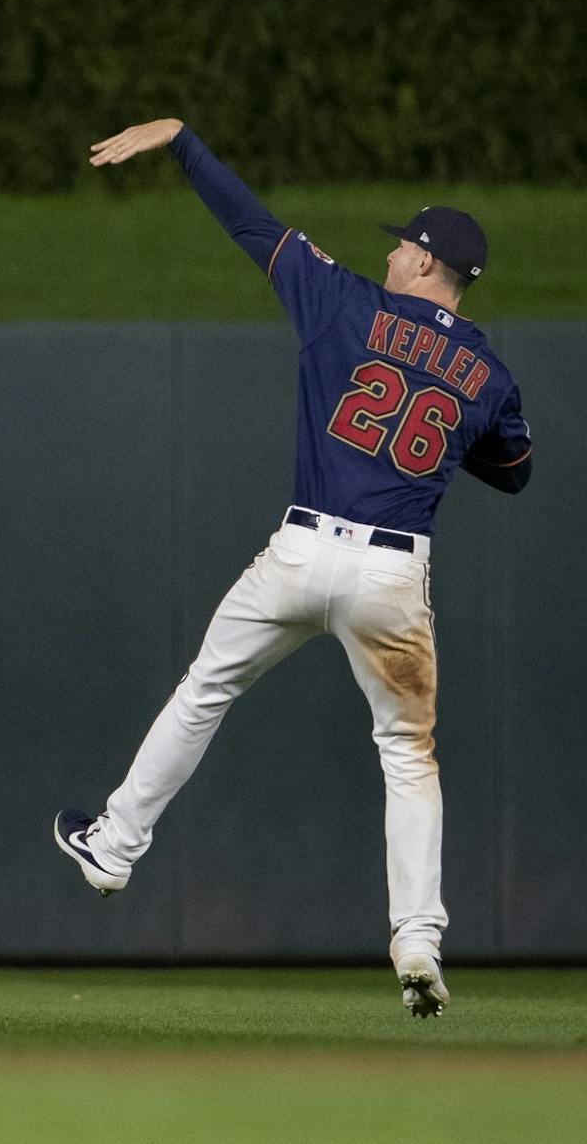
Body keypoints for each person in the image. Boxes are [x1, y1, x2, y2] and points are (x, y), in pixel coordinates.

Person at [55, 119, 533, 1017]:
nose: (389, 255)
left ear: (429, 263)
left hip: (303, 548)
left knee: (205, 690)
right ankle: (418, 940)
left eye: (402, 246)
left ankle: (115, 845)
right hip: (393, 579)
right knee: (408, 755)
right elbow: (515, 473)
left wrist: (184, 142)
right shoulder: (487, 372)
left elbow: (251, 224)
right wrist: (442, 420)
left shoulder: (343, 304)